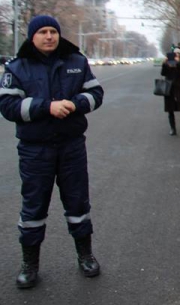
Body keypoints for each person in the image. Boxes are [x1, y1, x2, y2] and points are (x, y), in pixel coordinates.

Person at [0, 15, 104, 288]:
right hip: (35, 151)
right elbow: (8, 107)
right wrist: (47, 107)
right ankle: (30, 264)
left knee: (78, 203)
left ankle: (85, 256)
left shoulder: (77, 62)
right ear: (32, 36)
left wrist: (76, 103)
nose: (49, 36)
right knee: (33, 207)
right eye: (43, 32)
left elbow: (96, 94)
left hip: (71, 147)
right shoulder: (17, 67)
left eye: (53, 31)